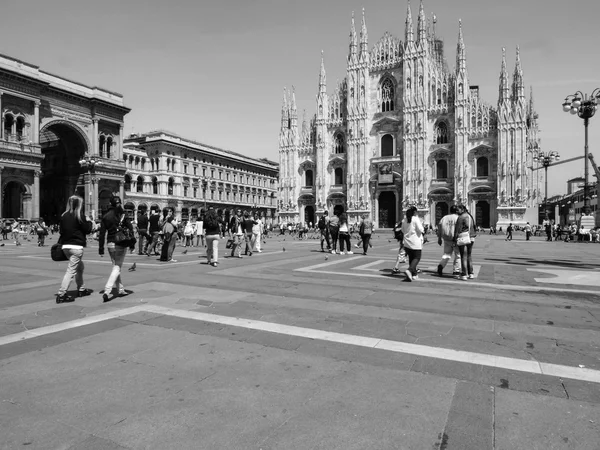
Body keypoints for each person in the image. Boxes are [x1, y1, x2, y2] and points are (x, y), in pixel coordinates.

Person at [55, 195, 94, 303]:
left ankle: (81, 289)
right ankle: (61, 294)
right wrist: (89, 221)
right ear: (79, 204)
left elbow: (61, 232)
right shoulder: (79, 215)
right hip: (76, 247)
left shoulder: (64, 215)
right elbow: (88, 230)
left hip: (66, 247)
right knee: (71, 271)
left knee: (79, 267)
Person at [98, 196, 135, 302]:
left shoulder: (106, 216)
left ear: (111, 204)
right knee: (117, 267)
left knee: (115, 266)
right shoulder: (122, 214)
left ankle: (121, 290)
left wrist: (101, 249)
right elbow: (130, 229)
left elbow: (102, 234)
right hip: (120, 243)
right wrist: (132, 244)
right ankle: (107, 290)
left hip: (110, 244)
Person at [436, 205, 461, 278]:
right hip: (456, 239)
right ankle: (456, 271)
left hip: (446, 239)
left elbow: (440, 228)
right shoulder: (458, 218)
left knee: (446, 254)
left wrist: (439, 238)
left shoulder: (444, 217)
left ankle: (441, 265)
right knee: (458, 255)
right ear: (456, 211)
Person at [453, 205, 477, 281]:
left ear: (462, 209)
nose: (456, 211)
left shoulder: (461, 217)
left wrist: (455, 239)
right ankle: (471, 273)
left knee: (463, 255)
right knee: (469, 255)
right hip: (471, 237)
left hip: (463, 237)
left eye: (458, 210)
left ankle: (463, 274)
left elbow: (457, 229)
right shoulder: (470, 216)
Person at [401, 206, 424, 281]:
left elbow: (403, 230)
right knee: (417, 257)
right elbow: (420, 229)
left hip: (407, 242)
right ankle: (410, 270)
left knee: (411, 258)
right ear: (415, 212)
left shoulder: (404, 220)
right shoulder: (415, 219)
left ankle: (414, 275)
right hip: (415, 242)